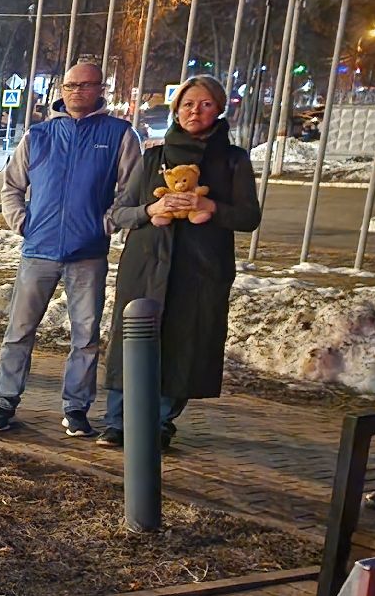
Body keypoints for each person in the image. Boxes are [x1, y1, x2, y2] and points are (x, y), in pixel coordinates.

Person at [97, 75, 260, 450]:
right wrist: (151, 208)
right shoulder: (153, 157)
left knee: (186, 341)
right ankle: (118, 421)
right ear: (176, 109)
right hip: (146, 263)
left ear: (219, 108)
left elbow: (249, 217)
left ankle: (160, 422)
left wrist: (211, 207)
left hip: (200, 268)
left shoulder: (233, 160)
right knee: (133, 339)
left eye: (204, 104)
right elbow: (121, 213)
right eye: (187, 104)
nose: (195, 111)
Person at [0, 61, 142, 438]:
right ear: (61, 88)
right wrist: (22, 223)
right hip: (38, 250)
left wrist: (104, 225)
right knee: (19, 331)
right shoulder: (38, 135)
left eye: (85, 85)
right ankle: (4, 402)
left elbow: (129, 193)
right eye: (70, 85)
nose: (76, 91)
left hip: (87, 253)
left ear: (99, 88)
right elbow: (11, 187)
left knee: (85, 337)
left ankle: (76, 408)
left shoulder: (119, 134)